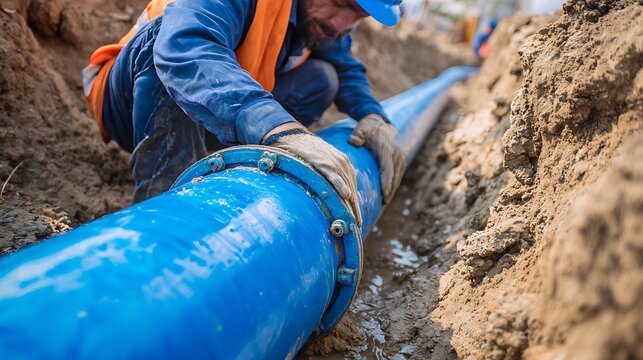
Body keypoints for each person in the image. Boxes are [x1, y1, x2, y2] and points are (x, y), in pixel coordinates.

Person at [82, 0, 406, 226]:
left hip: (215, 110)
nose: (341, 24)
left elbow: (346, 68)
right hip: (129, 101)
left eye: (357, 16)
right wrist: (280, 130)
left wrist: (373, 116)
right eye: (341, 2)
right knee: (171, 47)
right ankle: (165, 214)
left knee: (323, 79)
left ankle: (224, 166)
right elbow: (185, 45)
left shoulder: (320, 17)